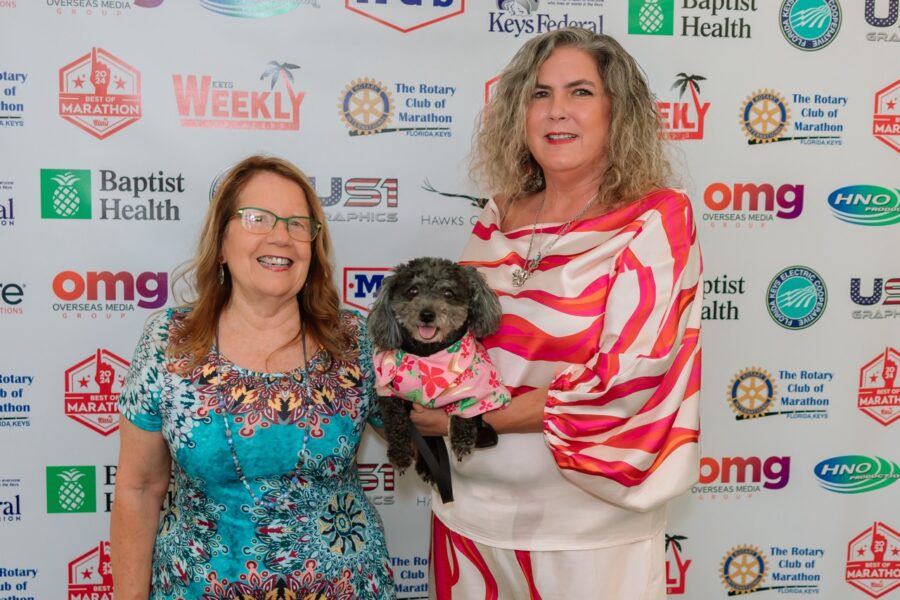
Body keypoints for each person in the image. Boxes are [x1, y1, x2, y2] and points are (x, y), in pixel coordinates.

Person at [410, 28, 702, 599]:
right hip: (467, 519)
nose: (556, 111)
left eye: (580, 92)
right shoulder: (497, 216)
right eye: (539, 94)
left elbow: (624, 381)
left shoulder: (656, 219)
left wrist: (465, 424)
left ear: (619, 110)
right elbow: (454, 351)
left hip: (587, 537)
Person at [110, 155, 395, 599]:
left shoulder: (356, 340)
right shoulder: (170, 340)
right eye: (257, 219)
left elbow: (423, 436)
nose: (281, 236)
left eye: (299, 224)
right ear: (221, 241)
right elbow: (138, 488)